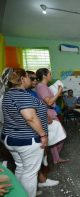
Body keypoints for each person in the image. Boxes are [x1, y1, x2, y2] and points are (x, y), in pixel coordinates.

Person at [1, 68, 48, 197]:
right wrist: (43, 135)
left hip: (12, 138)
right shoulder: (20, 94)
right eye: (28, 76)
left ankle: (21, 194)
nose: (30, 79)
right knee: (30, 173)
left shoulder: (9, 93)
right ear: (22, 79)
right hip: (26, 140)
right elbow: (30, 117)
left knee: (21, 167)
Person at [26, 71, 60, 189]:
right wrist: (42, 134)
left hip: (40, 121)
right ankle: (38, 182)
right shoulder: (34, 90)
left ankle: (42, 176)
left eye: (35, 79)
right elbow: (31, 116)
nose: (35, 81)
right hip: (29, 132)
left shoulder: (32, 91)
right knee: (29, 168)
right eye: (32, 79)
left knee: (28, 166)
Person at [35, 68, 68, 164]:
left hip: (49, 113)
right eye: (49, 74)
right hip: (48, 114)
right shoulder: (41, 86)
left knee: (55, 136)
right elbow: (49, 101)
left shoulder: (42, 86)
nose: (51, 76)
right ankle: (53, 157)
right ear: (44, 76)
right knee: (60, 136)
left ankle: (55, 158)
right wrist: (59, 91)